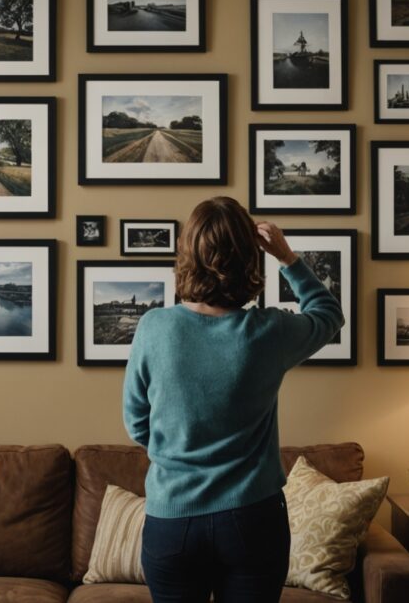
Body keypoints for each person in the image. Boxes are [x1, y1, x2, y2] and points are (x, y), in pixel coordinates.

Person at [123, 196, 344, 603]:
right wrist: (287, 257)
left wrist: (179, 454)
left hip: (172, 520)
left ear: (187, 254)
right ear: (249, 259)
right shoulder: (268, 332)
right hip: (252, 517)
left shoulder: (154, 328)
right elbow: (328, 314)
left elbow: (136, 421)